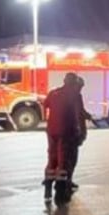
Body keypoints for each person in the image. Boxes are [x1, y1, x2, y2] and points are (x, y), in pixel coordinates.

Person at [43, 72, 82, 204]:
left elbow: (45, 104)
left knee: (52, 158)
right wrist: (77, 131)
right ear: (74, 83)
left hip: (51, 130)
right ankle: (60, 194)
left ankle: (47, 188)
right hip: (66, 131)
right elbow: (77, 114)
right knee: (63, 161)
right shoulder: (73, 95)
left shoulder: (54, 93)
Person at [69, 76, 92, 191]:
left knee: (68, 159)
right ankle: (67, 182)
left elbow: (80, 110)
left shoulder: (61, 94)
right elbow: (79, 111)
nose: (80, 89)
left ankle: (67, 181)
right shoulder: (75, 96)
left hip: (66, 132)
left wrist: (87, 115)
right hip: (74, 132)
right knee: (71, 159)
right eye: (79, 86)